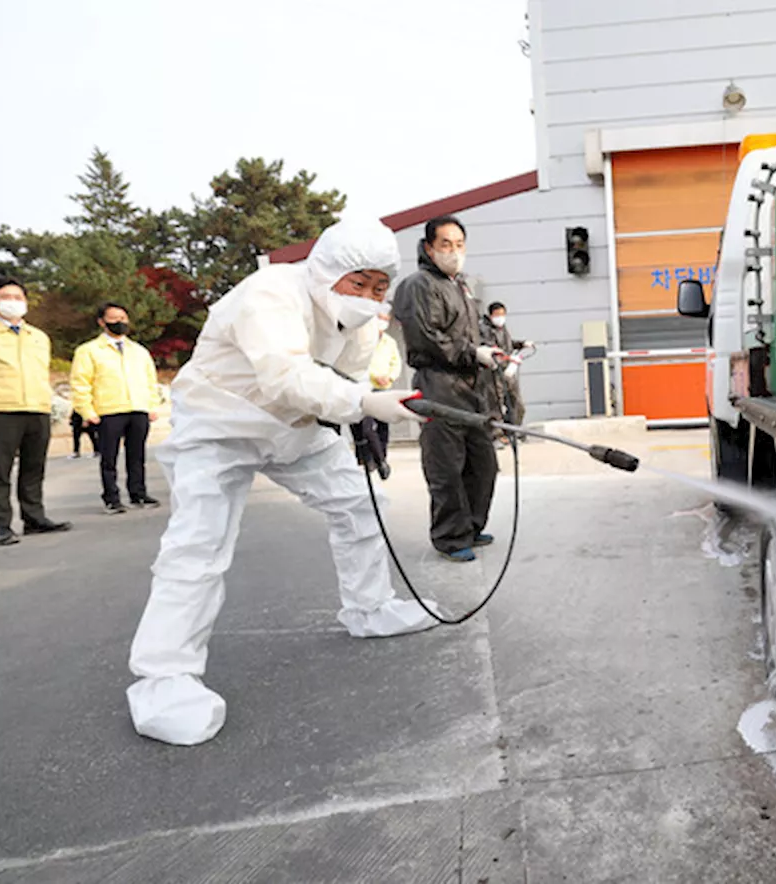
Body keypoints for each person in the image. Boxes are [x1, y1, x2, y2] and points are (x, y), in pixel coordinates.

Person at [125, 217, 434, 746]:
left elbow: (345, 380)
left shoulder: (358, 322)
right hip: (219, 422)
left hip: (292, 427)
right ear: (326, 270)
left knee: (362, 502)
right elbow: (286, 374)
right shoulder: (270, 292)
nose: (368, 296)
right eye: (356, 284)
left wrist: (362, 409)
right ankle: (163, 681)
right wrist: (361, 404)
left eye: (379, 286)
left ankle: (370, 606)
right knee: (199, 546)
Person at [391, 215, 503, 563]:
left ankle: (470, 524)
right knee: (446, 467)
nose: (454, 252)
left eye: (459, 245)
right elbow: (429, 339)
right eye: (445, 245)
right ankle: (451, 537)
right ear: (428, 248)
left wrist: (488, 349)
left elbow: (469, 334)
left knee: (482, 462)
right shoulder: (418, 285)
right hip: (438, 384)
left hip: (471, 388)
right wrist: (473, 353)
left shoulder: (461, 286)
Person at [0, 277, 72, 546]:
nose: (13, 302)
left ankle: (35, 518)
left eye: (18, 297)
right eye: (6, 297)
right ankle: (2, 525)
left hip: (37, 408)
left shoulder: (38, 337)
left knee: (34, 468)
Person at [69, 303, 163, 513]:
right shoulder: (89, 351)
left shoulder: (138, 351)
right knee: (109, 457)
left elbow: (150, 380)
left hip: (138, 408)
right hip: (108, 411)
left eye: (123, 318)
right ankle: (112, 497)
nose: (119, 322)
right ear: (102, 322)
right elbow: (80, 383)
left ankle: (138, 493)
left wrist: (152, 405)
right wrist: (87, 411)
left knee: (137, 455)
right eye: (113, 318)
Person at [479, 301, 533, 442]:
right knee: (495, 404)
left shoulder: (502, 328)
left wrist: (521, 344)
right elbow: (493, 350)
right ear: (490, 315)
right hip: (493, 371)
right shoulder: (484, 330)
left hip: (508, 370)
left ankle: (513, 430)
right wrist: (509, 358)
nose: (500, 318)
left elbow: (507, 344)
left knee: (517, 403)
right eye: (497, 315)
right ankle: (497, 435)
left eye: (503, 315)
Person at [364, 303, 403, 467]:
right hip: (366, 386)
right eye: (381, 319)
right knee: (366, 426)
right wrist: (375, 375)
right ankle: (371, 458)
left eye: (386, 319)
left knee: (382, 425)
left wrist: (390, 377)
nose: (384, 323)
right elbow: (358, 362)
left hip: (384, 387)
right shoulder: (364, 338)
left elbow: (396, 362)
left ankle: (382, 458)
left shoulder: (389, 342)